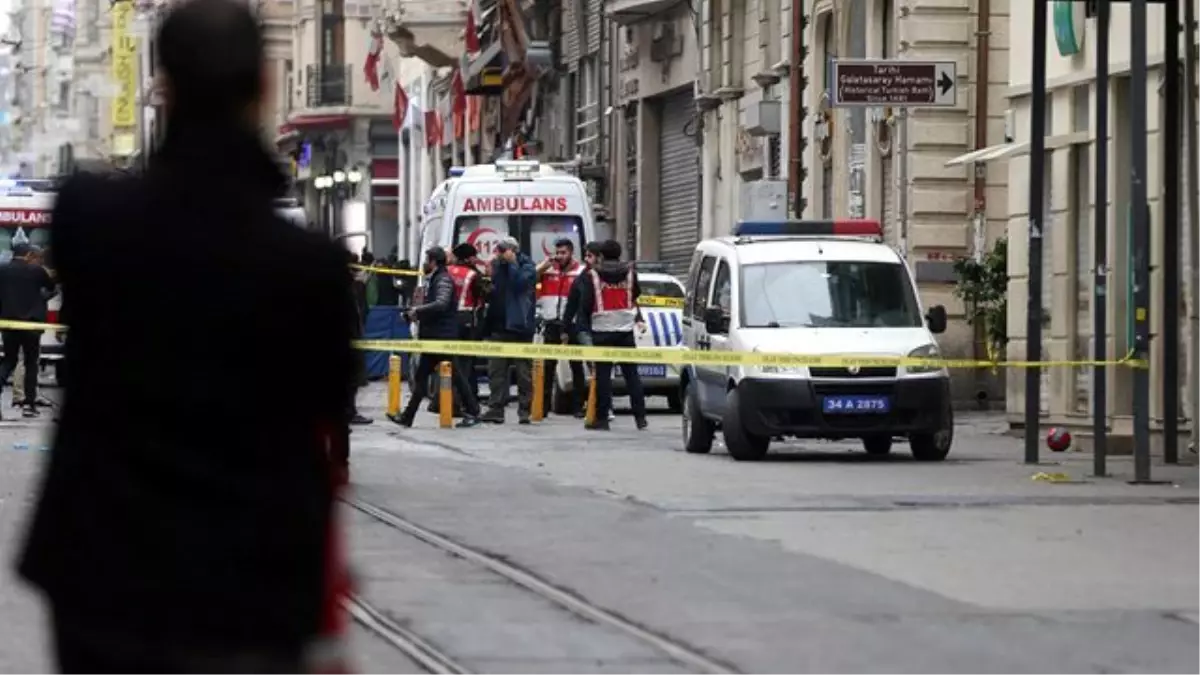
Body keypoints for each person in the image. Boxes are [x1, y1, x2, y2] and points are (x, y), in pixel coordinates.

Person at [15, 1, 360, 672]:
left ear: (161, 87)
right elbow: (318, 428)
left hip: (105, 576)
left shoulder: (89, 220)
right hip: (251, 584)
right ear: (264, 85)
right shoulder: (308, 265)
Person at [398, 247, 480, 428]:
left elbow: (441, 304)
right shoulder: (435, 278)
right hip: (434, 335)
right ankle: (407, 416)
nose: (425, 263)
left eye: (427, 259)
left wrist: (416, 311)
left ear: (434, 261)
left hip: (441, 336)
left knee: (455, 376)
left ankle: (473, 411)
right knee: (424, 377)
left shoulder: (443, 279)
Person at [571, 239, 648, 431]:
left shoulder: (593, 275)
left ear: (602, 255)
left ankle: (602, 418)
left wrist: (583, 326)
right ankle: (640, 418)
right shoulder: (630, 273)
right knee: (632, 376)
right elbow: (636, 294)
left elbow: (586, 304)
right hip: (625, 331)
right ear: (619, 254)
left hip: (601, 331)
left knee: (603, 377)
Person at [480, 236, 536, 424]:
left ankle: (524, 410)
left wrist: (512, 264)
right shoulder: (496, 265)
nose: (500, 254)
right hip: (499, 326)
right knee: (496, 371)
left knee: (523, 373)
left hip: (520, 327)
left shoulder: (527, 265)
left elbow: (520, 284)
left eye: (504, 250)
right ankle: (496, 408)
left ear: (514, 250)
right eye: (499, 250)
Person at [0, 243, 56, 418]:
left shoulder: (2, 270)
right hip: (32, 325)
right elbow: (51, 288)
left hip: (8, 323)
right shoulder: (36, 271)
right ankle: (29, 405)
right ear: (29, 254)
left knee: (8, 361)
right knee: (31, 363)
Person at [535, 238, 586, 415]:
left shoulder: (581, 271)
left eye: (563, 252)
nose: (559, 256)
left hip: (572, 324)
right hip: (551, 322)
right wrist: (544, 265)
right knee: (548, 366)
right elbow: (530, 279)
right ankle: (543, 406)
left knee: (576, 366)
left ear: (571, 253)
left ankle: (579, 406)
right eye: (557, 252)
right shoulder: (548, 270)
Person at [561, 241, 611, 421]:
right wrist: (565, 329)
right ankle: (579, 405)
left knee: (599, 369)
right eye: (586, 256)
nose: (587, 259)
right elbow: (571, 305)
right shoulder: (582, 278)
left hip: (602, 328)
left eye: (590, 256)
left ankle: (603, 406)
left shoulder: (610, 277)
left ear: (599, 257)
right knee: (581, 369)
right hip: (583, 329)